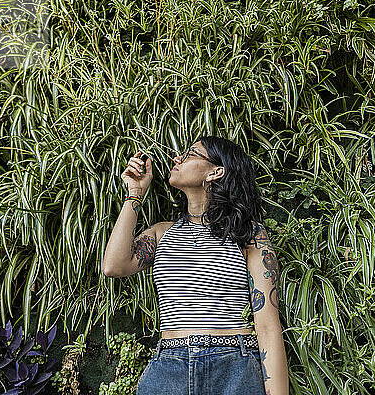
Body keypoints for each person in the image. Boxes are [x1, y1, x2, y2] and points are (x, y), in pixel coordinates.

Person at [102, 136, 289, 395]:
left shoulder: (248, 234)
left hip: (233, 366)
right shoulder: (161, 233)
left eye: (190, 154)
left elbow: (268, 325)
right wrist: (135, 194)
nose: (177, 158)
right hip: (169, 369)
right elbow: (114, 265)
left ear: (216, 171)